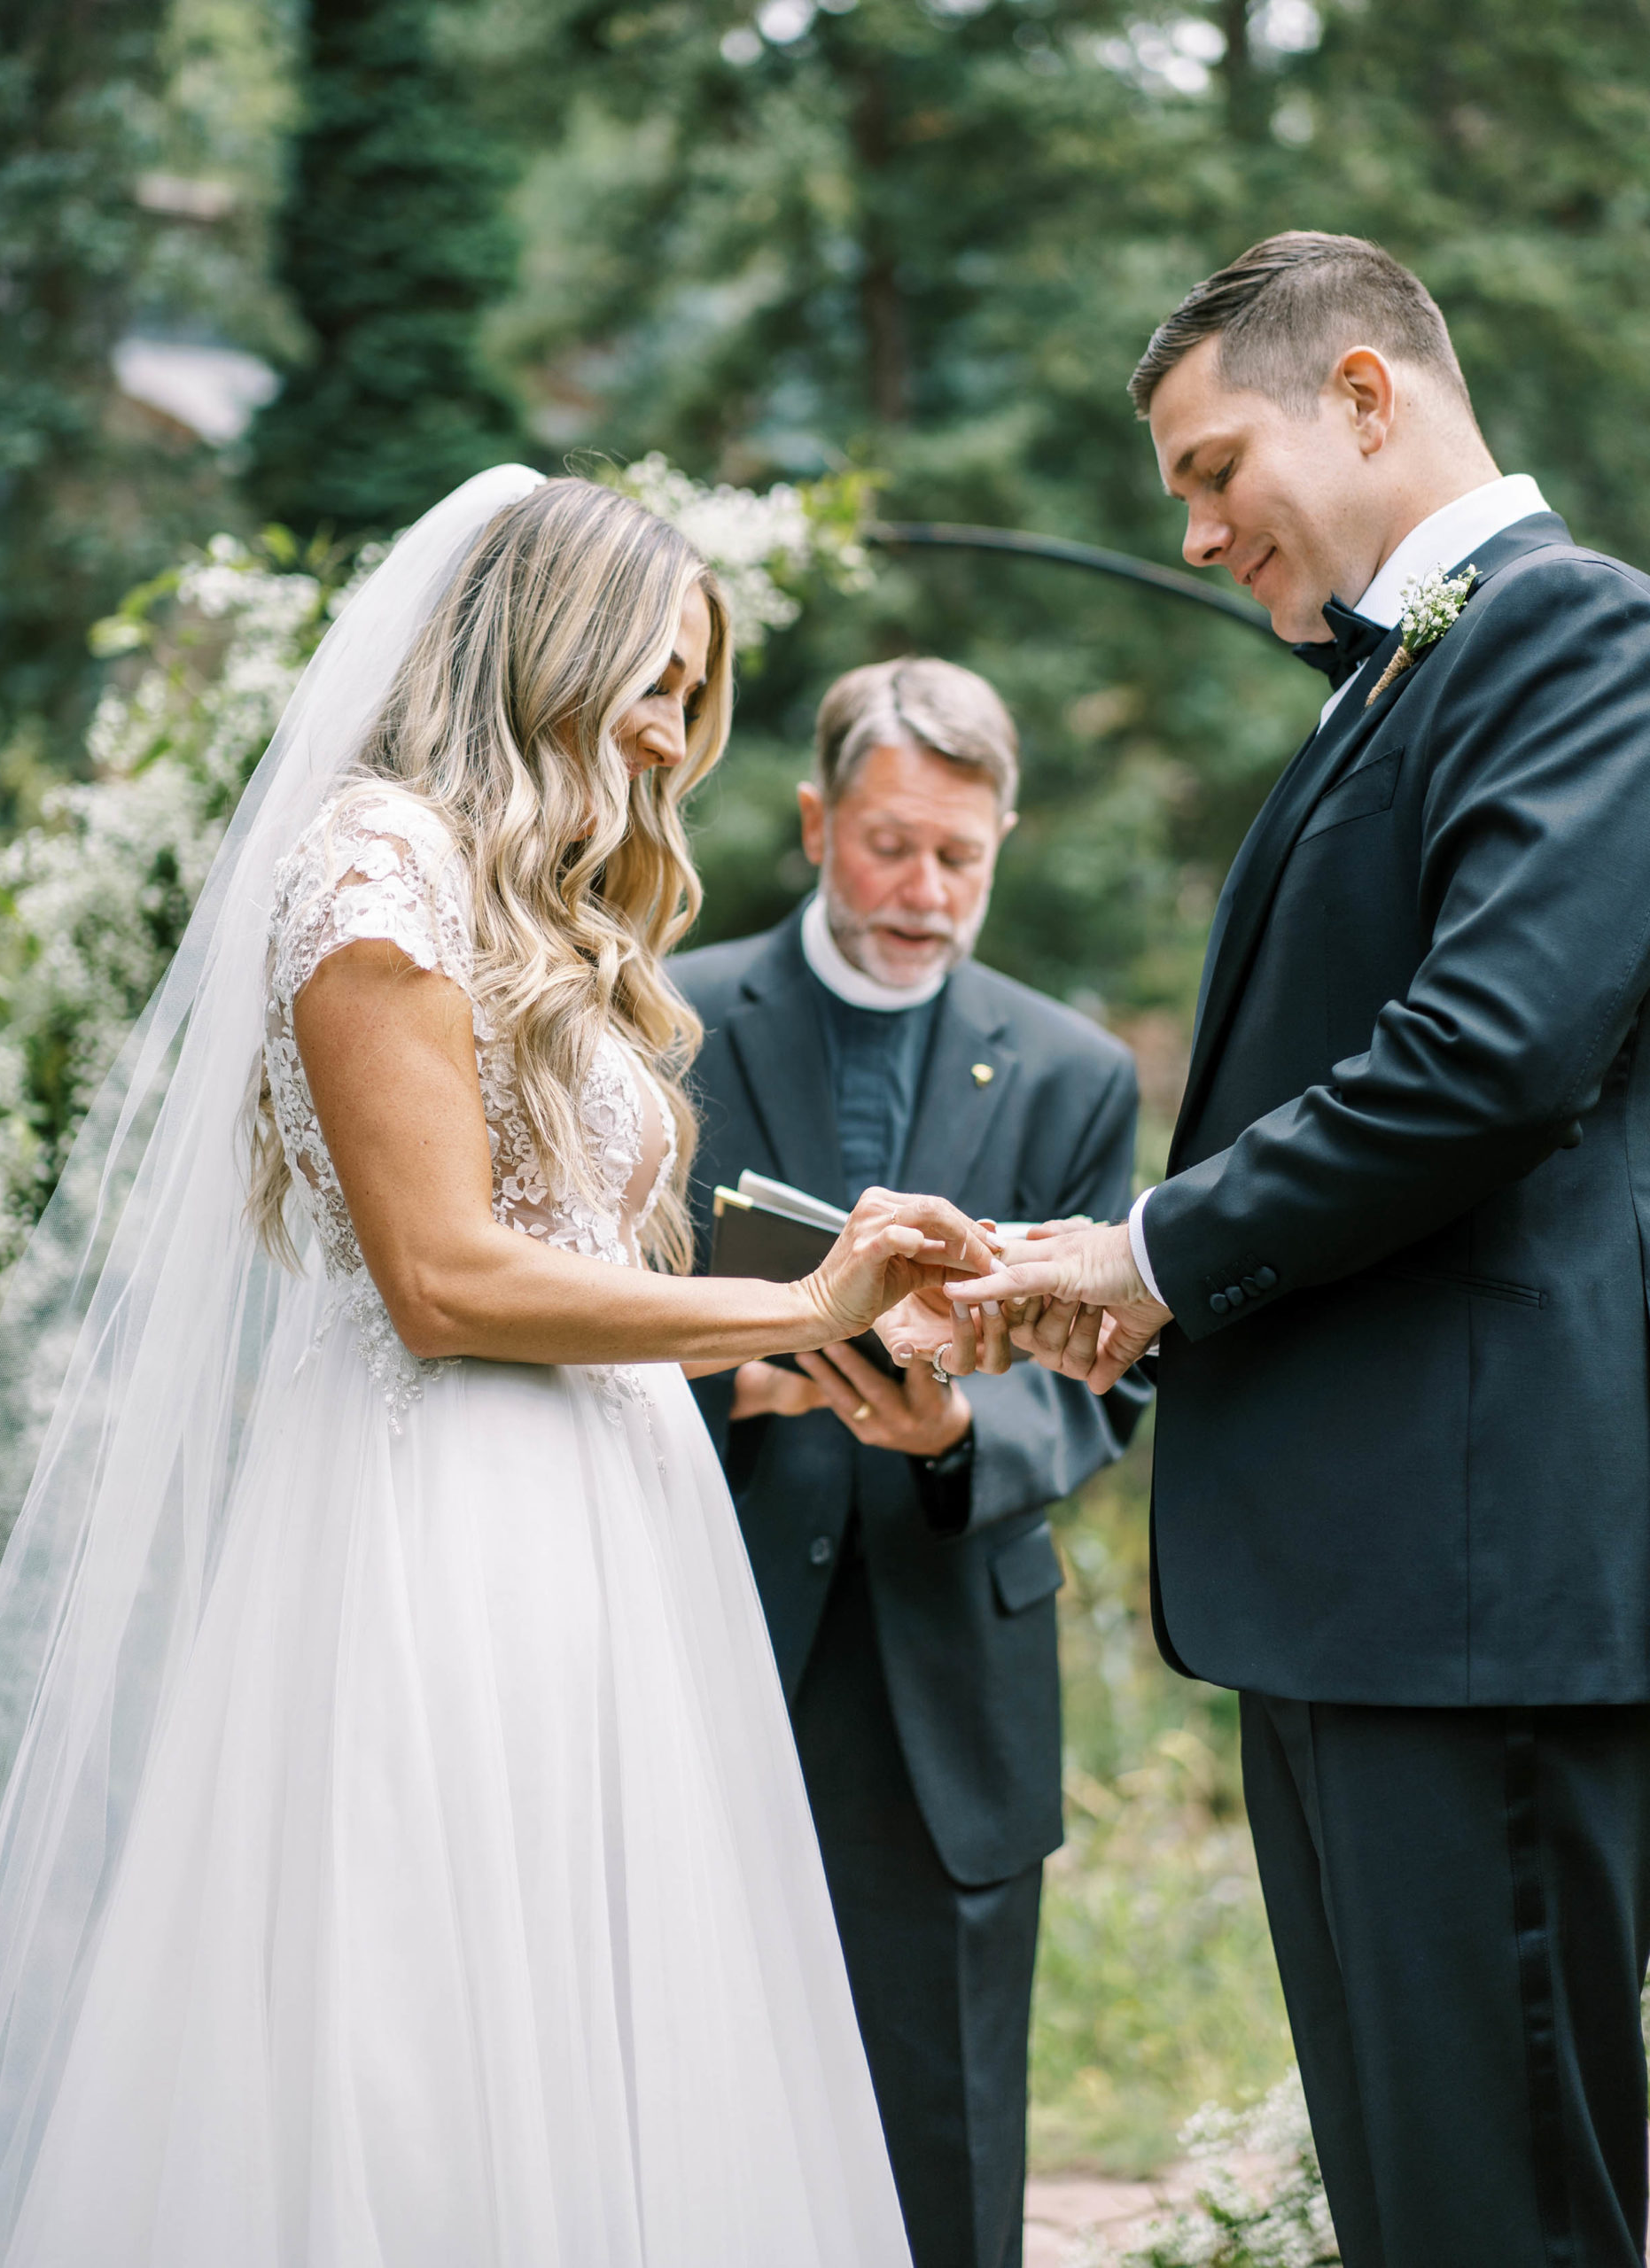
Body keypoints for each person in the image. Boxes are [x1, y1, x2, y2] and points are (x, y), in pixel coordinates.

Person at [0, 469, 996, 2264]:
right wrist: (803, 1303)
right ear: (551, 642)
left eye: (693, 693)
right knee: (431, 2024)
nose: (674, 735)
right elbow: (442, 1277)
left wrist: (846, 1313)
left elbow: (577, 1247)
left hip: (603, 1521)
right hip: (437, 1518)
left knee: (609, 2004)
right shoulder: (373, 868)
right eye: (655, 680)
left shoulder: (527, 895)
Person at [951, 232, 1650, 2267]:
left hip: (1470, 1588)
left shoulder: (1578, 636)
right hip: (1366, 1591)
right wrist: (1131, 1298)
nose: (1189, 531)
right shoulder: (1399, 676)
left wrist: (1157, 1251)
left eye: (1208, 462)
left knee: (1501, 2203)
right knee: (1422, 2200)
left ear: (1364, 393)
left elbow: (1491, 1061)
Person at [670, 657, 1148, 2268]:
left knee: (943, 2148)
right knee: (678, 2103)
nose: (925, 892)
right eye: (890, 846)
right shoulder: (669, 1018)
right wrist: (725, 1387)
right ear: (815, 822)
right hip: (701, 1627)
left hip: (951, 1664)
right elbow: (586, 1295)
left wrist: (960, 1431)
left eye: (962, 857)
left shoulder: (1077, 1070)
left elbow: (1105, 1387)